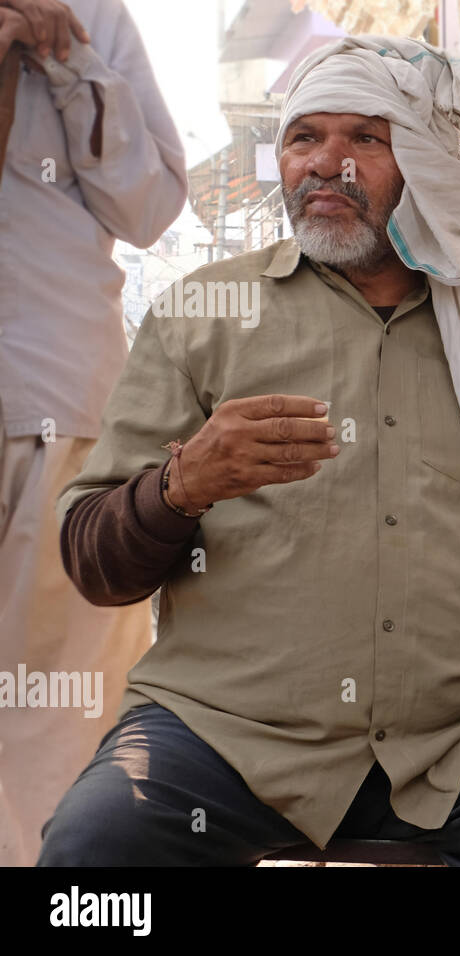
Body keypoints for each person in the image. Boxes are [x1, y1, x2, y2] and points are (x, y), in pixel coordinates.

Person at [36, 35, 460, 866]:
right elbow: (94, 562)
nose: (324, 164)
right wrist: (182, 484)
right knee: (96, 850)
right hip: (224, 731)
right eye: (304, 139)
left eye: (365, 140)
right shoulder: (205, 315)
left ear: (427, 167)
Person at [0, 0, 186, 866]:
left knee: (55, 707)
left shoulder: (85, 17)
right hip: (52, 391)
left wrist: (68, 65)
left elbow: (148, 207)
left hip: (54, 399)